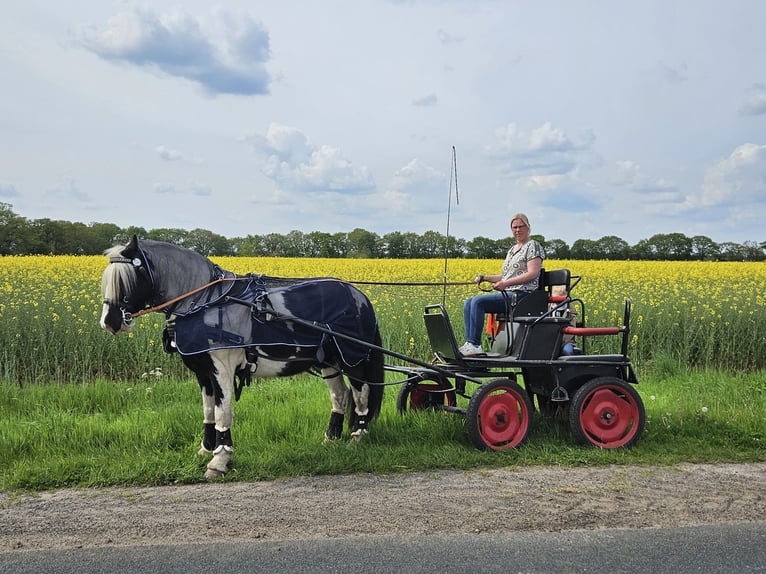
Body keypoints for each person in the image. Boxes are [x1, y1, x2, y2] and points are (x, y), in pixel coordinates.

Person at [458, 213, 544, 356]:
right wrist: (484, 277)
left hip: (523, 296)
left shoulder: (533, 246)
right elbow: (505, 276)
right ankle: (469, 343)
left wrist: (505, 284)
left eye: (520, 226)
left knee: (478, 302)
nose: (517, 230)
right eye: (514, 227)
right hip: (510, 293)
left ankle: (475, 344)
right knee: (469, 302)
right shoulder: (512, 250)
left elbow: (532, 273)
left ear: (527, 227)